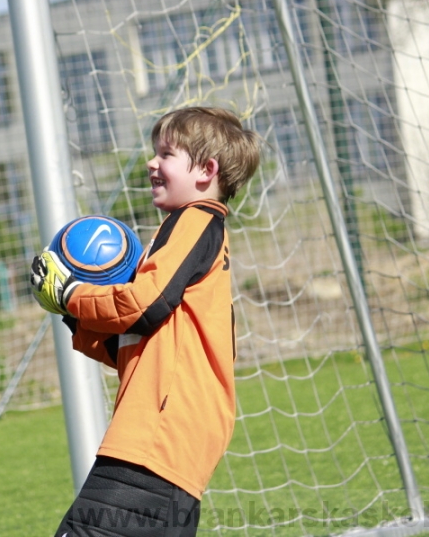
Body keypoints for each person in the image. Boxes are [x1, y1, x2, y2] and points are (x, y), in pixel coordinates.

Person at [30, 106, 261, 536]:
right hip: (172, 444)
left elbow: (145, 304)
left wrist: (72, 294)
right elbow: (133, 344)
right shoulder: (191, 233)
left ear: (206, 170)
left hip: (155, 439)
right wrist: (71, 314)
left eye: (166, 154)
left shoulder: (196, 219)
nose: (151, 163)